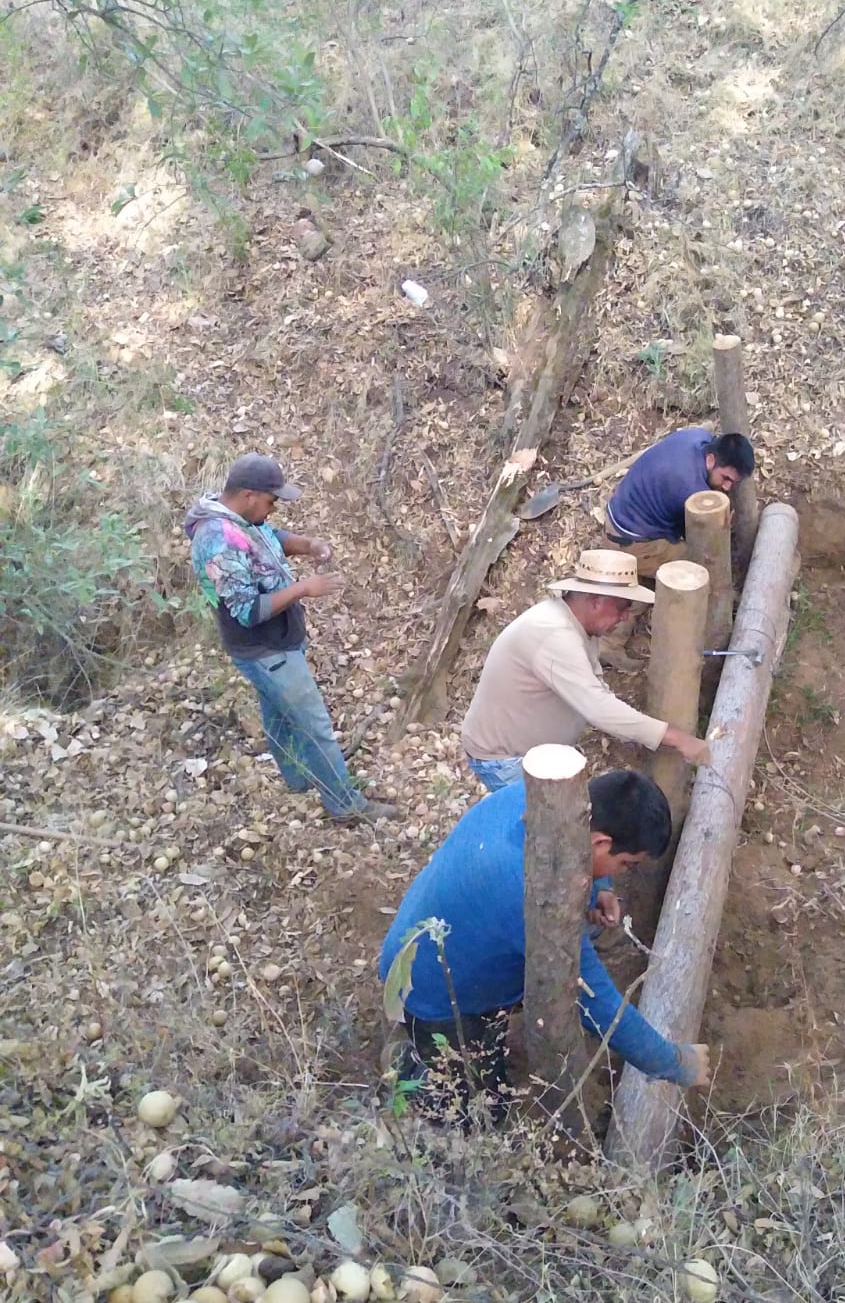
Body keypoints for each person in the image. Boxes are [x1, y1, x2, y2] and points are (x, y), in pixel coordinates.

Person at [378, 769, 711, 1120]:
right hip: (428, 991)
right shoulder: (532, 892)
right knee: (480, 1114)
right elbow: (598, 1004)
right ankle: (407, 1064)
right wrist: (675, 1063)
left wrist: (602, 887)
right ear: (600, 843)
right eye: (626, 863)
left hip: (436, 946)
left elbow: (589, 851)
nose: (625, 871)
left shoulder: (539, 799)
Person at [184, 453, 397, 824]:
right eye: (271, 501)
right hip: (265, 650)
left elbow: (268, 536)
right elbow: (248, 611)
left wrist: (309, 544)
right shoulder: (217, 540)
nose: (274, 509)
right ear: (249, 495)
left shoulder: (241, 518)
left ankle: (298, 774)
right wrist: (303, 589)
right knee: (315, 725)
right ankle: (344, 804)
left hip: (277, 642)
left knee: (280, 714)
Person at [460, 549, 710, 793]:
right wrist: (678, 738)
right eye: (622, 607)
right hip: (506, 759)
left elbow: (596, 687)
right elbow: (600, 709)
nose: (625, 617)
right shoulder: (555, 636)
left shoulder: (578, 625)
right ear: (596, 602)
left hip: (527, 750)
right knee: (547, 827)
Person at [605, 428, 755, 576]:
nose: (727, 487)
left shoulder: (698, 436)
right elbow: (701, 538)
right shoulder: (690, 489)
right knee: (701, 567)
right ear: (710, 459)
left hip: (619, 509)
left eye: (734, 482)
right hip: (628, 541)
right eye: (725, 478)